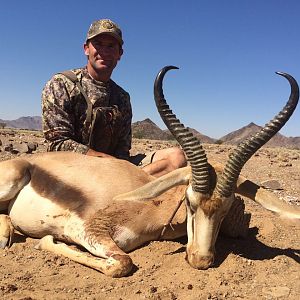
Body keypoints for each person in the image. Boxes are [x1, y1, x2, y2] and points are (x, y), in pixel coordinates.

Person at [42, 19, 186, 177]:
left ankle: (129, 185)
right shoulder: (62, 83)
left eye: (111, 46)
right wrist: (109, 163)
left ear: (120, 54)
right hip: (74, 169)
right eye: (98, 44)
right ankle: (131, 184)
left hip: (114, 169)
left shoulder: (122, 97)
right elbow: (58, 144)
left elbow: (123, 150)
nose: (104, 51)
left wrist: (118, 166)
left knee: (176, 157)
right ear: (86, 49)